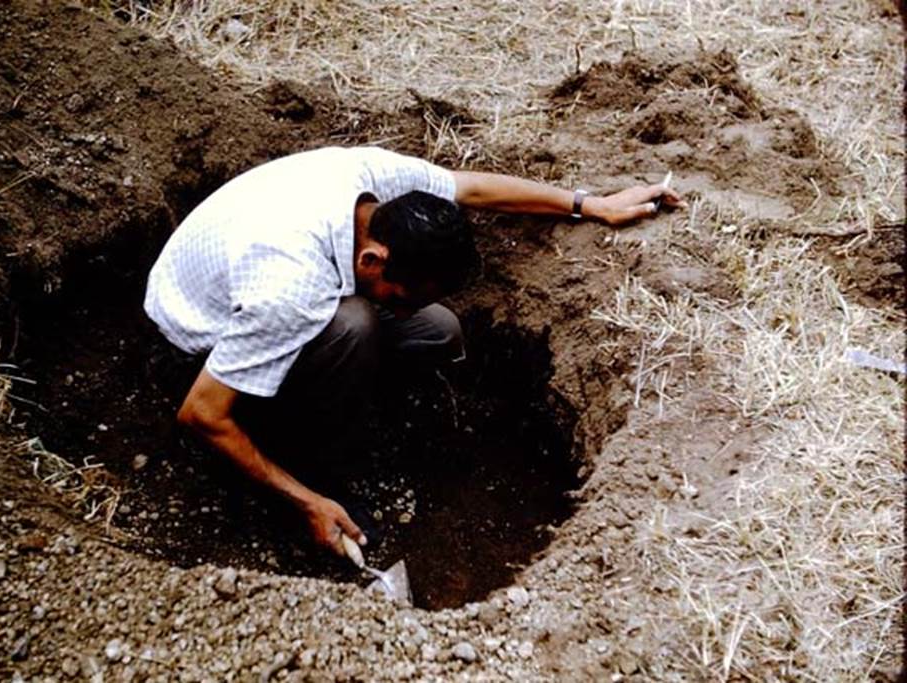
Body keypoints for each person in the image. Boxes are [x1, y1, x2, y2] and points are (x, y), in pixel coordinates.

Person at [144, 146, 683, 558]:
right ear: (373, 261)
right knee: (356, 327)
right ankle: (316, 466)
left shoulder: (377, 184)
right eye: (402, 297)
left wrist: (590, 204)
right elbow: (202, 413)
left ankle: (350, 407)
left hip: (258, 280)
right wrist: (305, 501)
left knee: (438, 331)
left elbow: (471, 187)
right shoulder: (287, 288)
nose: (403, 311)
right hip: (199, 341)